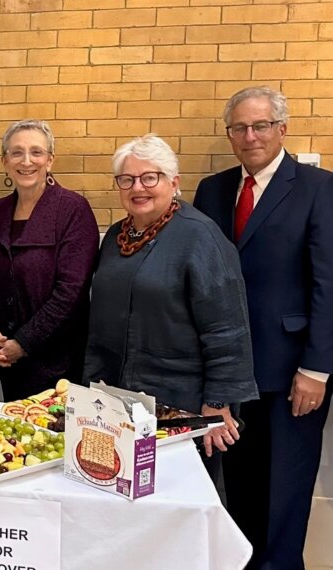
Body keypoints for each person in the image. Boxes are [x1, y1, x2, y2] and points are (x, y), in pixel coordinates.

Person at [194, 87, 333, 570]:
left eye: (261, 126)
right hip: (229, 369)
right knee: (237, 479)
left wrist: (317, 368)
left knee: (286, 480)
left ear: (282, 129)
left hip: (292, 369)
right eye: (239, 128)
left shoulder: (319, 188)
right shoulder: (212, 191)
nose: (250, 137)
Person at [84, 135, 257, 460]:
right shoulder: (115, 238)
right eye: (127, 179)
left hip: (179, 401)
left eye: (150, 177)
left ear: (174, 182)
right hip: (114, 397)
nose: (138, 188)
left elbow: (227, 329)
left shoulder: (200, 237)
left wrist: (217, 404)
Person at [0, 119, 99, 401]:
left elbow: (71, 292)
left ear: (50, 159)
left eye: (36, 152)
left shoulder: (73, 210)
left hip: (60, 366)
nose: (26, 161)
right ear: (4, 161)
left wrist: (23, 343)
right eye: (16, 152)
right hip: (8, 361)